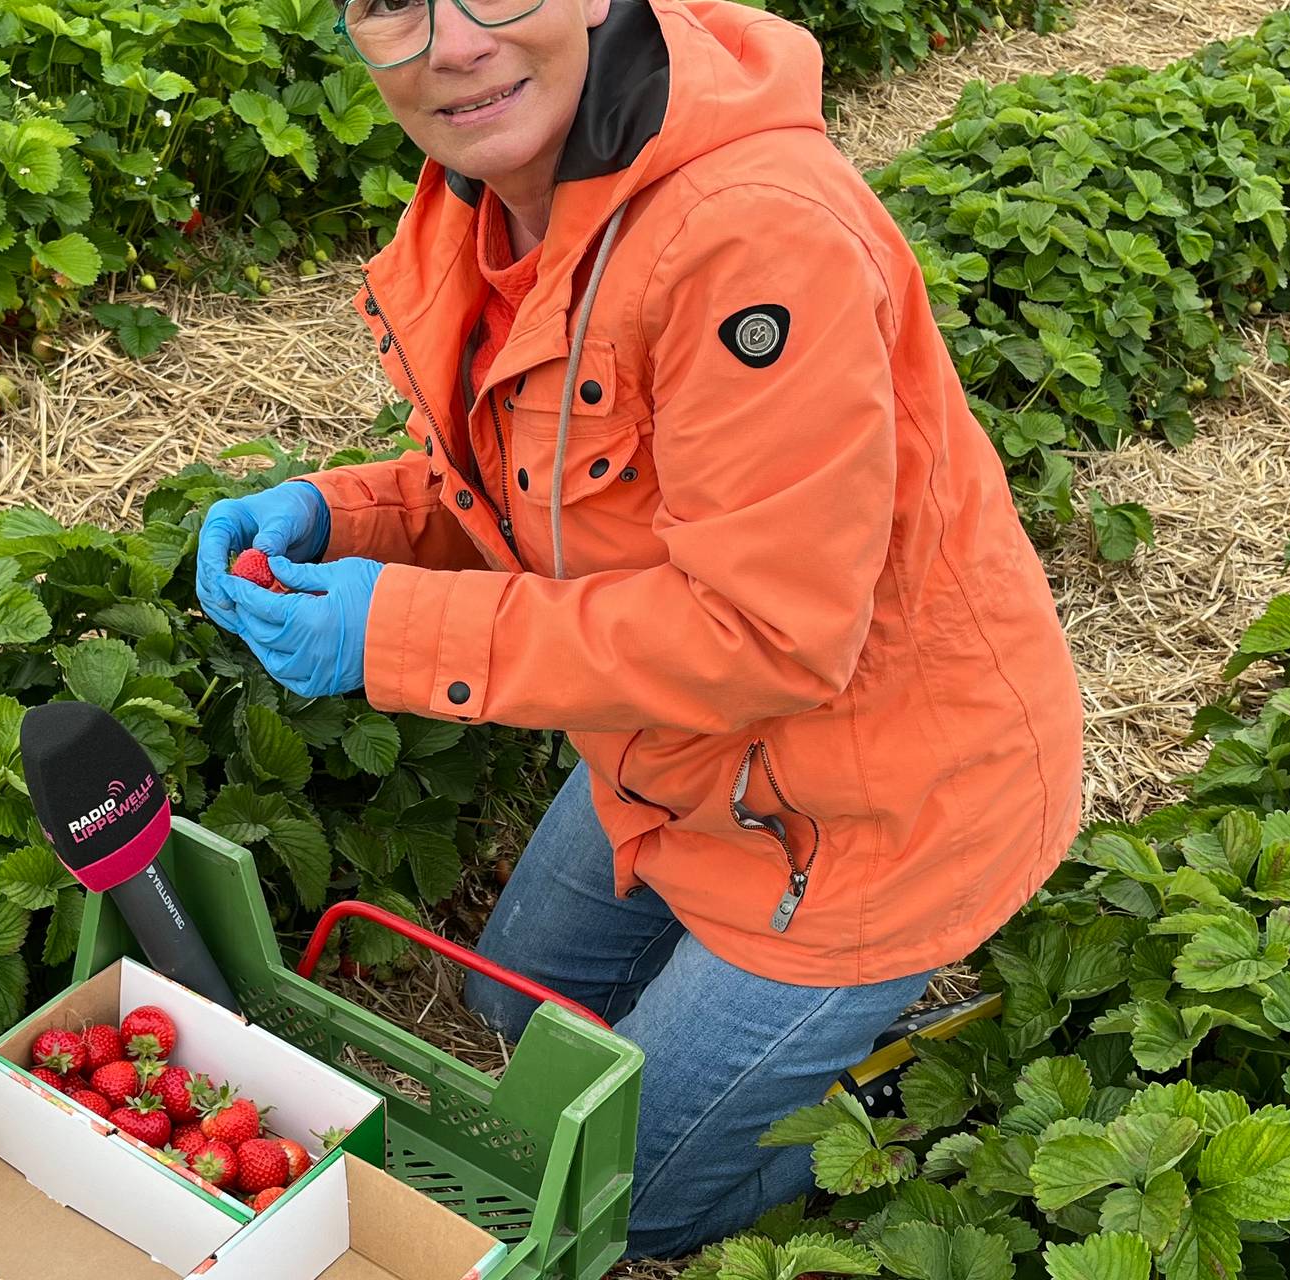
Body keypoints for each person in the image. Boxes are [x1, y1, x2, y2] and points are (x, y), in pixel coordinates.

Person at [194, 0, 1083, 1256]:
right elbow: (523, 478)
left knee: (625, 1200)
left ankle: (887, 1084)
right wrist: (342, 519)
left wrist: (392, 630)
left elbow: (768, 634)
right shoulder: (488, 190)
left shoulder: (751, 234)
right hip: (670, 746)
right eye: (391, 0)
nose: (450, 44)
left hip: (867, 808)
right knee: (505, 1006)